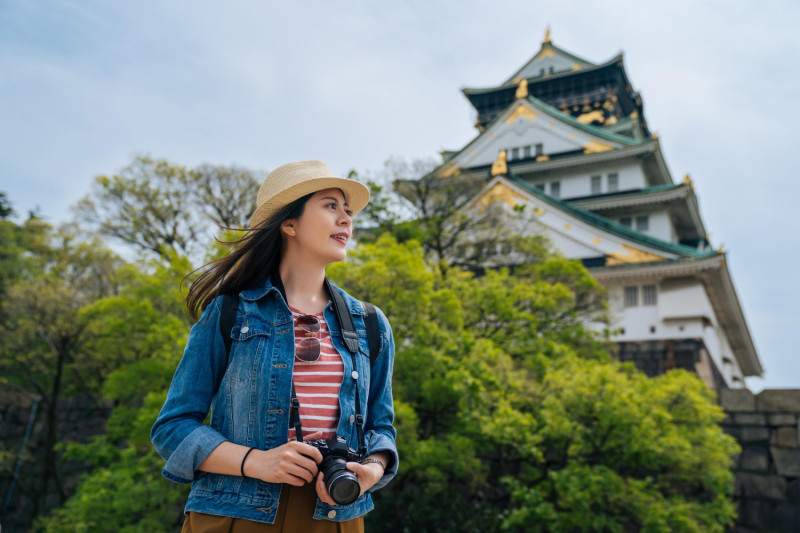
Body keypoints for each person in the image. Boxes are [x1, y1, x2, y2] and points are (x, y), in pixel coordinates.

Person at [151, 161, 398, 532]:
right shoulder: (231, 311)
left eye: (348, 211)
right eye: (331, 206)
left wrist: (372, 469)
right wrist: (255, 461)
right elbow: (173, 427)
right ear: (290, 223)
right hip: (236, 514)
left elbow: (381, 429)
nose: (346, 219)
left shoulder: (371, 324)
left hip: (337, 517)